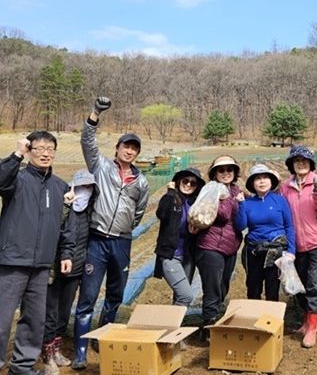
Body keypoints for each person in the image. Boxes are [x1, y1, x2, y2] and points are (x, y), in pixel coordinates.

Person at [73, 97, 150, 369]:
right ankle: (80, 352)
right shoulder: (101, 167)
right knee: (88, 296)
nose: (129, 151)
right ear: (117, 148)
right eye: (126, 146)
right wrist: (95, 113)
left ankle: (102, 338)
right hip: (97, 241)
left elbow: (139, 211)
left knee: (116, 294)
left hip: (122, 242)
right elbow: (87, 141)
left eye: (134, 149)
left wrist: (125, 228)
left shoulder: (141, 182)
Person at [0, 132, 69, 375]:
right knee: (2, 316)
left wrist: (65, 253)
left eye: (50, 149)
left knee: (34, 319)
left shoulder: (59, 186)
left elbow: (66, 226)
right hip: (13, 260)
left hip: (42, 264)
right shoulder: (16, 178)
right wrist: (16, 155)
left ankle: (22, 367)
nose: (45, 153)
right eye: (39, 148)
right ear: (29, 151)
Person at [42, 170, 98, 375]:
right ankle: (47, 357)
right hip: (54, 268)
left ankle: (56, 350)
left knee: (64, 312)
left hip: (76, 268)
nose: (84, 191)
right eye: (81, 186)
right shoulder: (61, 207)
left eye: (89, 187)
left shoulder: (89, 213)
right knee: (50, 312)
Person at [280, 146, 317, 348]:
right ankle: (305, 322)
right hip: (296, 245)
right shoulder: (286, 187)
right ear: (291, 165)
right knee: (301, 285)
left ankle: (313, 327)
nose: (301, 163)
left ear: (311, 164)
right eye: (297, 161)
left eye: (305, 160)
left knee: (315, 285)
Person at [195, 156, 244, 339]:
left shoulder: (235, 189)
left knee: (223, 287)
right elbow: (222, 214)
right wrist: (233, 200)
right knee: (213, 288)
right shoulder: (212, 189)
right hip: (211, 246)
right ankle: (208, 327)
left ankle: (214, 321)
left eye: (229, 169)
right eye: (221, 170)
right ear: (214, 173)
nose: (226, 173)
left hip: (230, 246)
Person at [236, 163, 295, 301]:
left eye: (265, 177)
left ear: (271, 181)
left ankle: (271, 315)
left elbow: (289, 226)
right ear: (252, 183)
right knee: (253, 288)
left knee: (272, 289)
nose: (262, 181)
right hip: (254, 250)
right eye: (258, 178)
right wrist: (241, 204)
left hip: (276, 251)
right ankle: (254, 313)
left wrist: (291, 251)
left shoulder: (280, 200)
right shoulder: (248, 203)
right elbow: (240, 226)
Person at [153, 168, 205, 309]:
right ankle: (171, 321)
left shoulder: (195, 203)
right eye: (185, 181)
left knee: (180, 295)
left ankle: (176, 322)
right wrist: (171, 192)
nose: (188, 185)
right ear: (178, 181)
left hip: (188, 256)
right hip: (171, 255)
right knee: (186, 295)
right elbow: (161, 214)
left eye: (193, 183)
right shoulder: (171, 199)